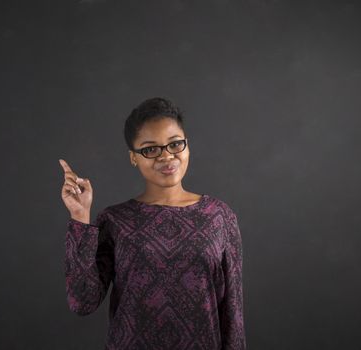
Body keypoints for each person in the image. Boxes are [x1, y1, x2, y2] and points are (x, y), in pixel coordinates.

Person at [59, 97, 246, 349]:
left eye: (175, 144)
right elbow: (83, 302)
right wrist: (80, 216)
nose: (167, 156)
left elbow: (232, 313)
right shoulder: (115, 221)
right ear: (134, 157)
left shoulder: (219, 216)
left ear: (187, 145)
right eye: (151, 149)